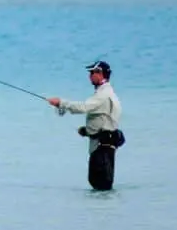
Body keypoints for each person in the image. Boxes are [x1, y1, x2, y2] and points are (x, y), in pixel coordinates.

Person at [47, 60, 124, 191]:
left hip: (102, 148)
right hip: (103, 146)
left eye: (92, 73)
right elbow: (105, 120)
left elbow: (84, 107)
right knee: (101, 186)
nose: (90, 76)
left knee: (100, 186)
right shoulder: (107, 93)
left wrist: (61, 103)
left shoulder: (103, 95)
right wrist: (87, 131)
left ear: (100, 74)